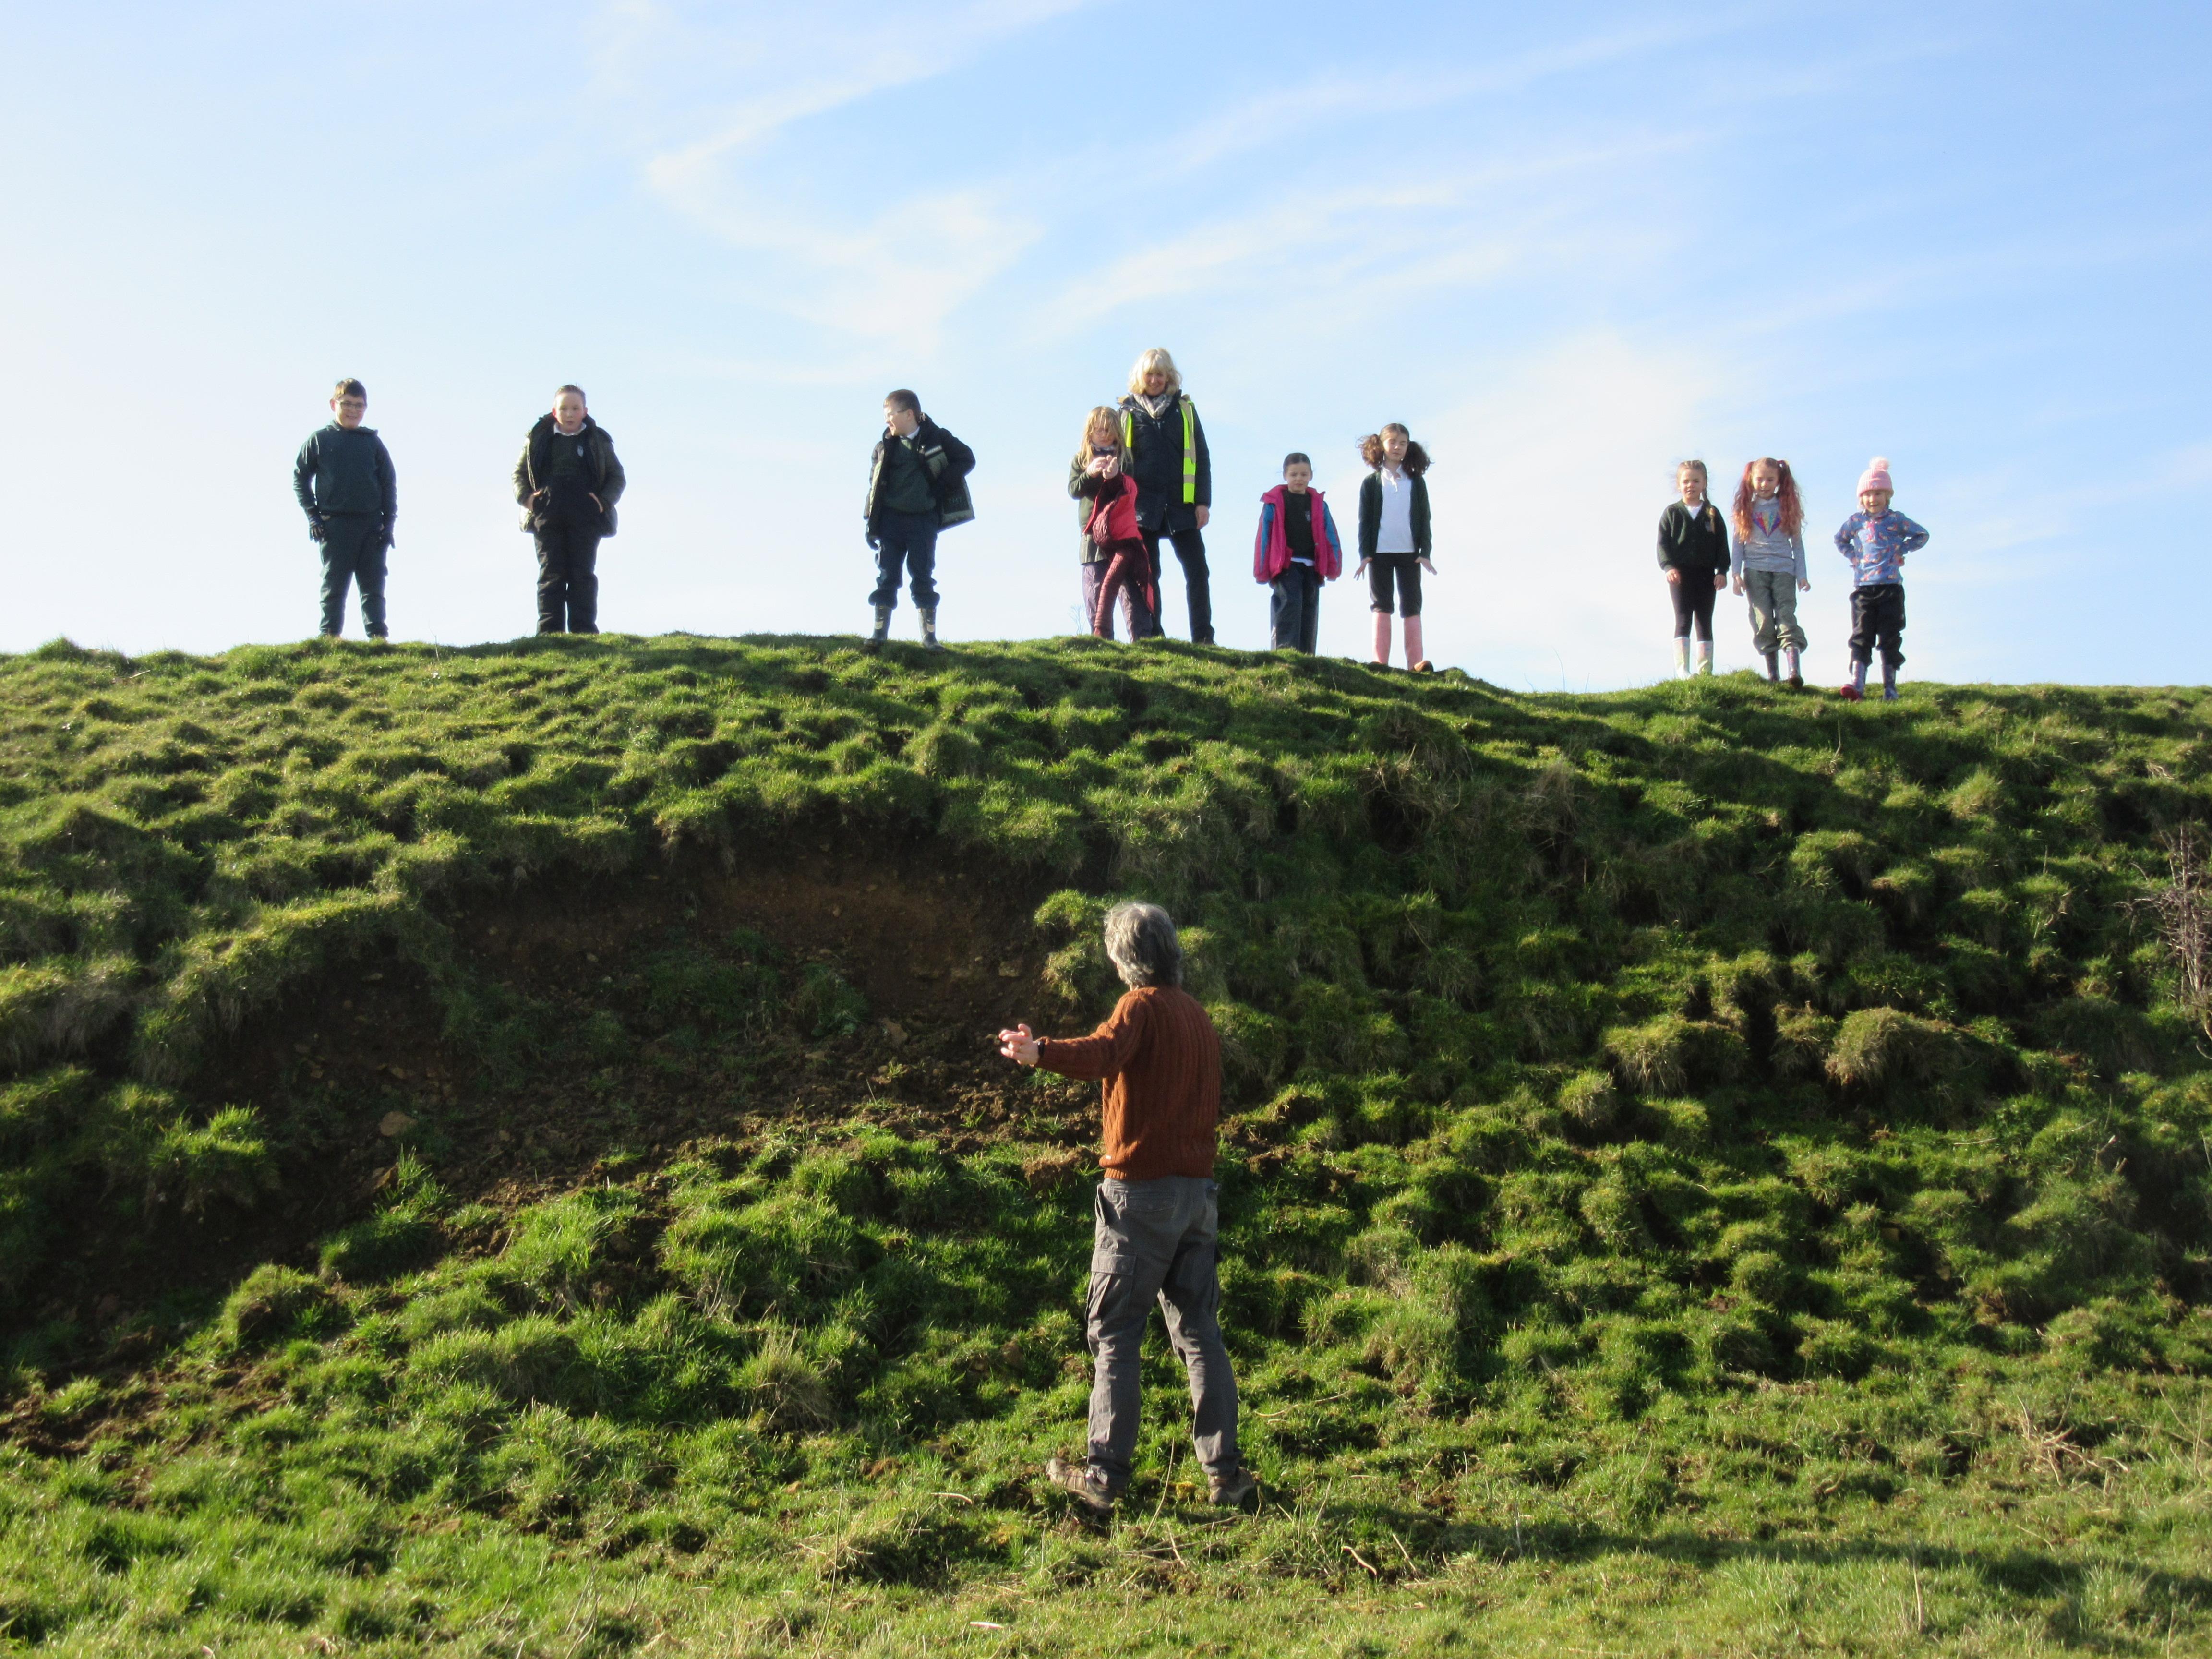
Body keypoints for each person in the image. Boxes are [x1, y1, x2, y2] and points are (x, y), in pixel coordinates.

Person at [996, 902, 1255, 1515]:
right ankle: (1227, 1475)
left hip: (1140, 1195)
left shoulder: (1139, 1007)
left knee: (1114, 1331)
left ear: (1126, 958)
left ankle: (1104, 1478)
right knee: (1200, 1331)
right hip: (1198, 1196)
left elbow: (1102, 1054)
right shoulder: (1197, 1016)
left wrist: (1039, 1052)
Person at [862, 389, 975, 652]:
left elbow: (967, 459)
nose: (887, 421)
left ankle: (929, 639)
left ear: (909, 414)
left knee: (923, 575)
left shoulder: (938, 437)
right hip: (889, 521)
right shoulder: (883, 447)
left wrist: (942, 485)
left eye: (891, 415)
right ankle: (878, 635)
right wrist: (870, 522)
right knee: (887, 576)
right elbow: (873, 487)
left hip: (923, 521)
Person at [1117, 349, 1213, 644]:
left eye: (1161, 374)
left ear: (1170, 377)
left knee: (1198, 570)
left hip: (1181, 506)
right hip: (1142, 507)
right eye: (1150, 375)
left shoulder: (1185, 411)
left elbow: (1202, 457)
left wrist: (1203, 502)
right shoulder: (1127, 413)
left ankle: (1204, 638)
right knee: (1149, 572)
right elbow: (1119, 462)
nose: (1155, 380)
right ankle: (1154, 635)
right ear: (1140, 377)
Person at [513, 385, 625, 635]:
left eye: (575, 408)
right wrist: (528, 500)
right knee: (550, 574)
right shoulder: (537, 438)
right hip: (546, 513)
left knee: (582, 575)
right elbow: (519, 474)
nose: (570, 414)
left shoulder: (598, 439)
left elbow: (617, 477)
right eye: (564, 409)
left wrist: (603, 502)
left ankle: (583, 633)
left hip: (586, 515)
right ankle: (549, 634)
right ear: (555, 412)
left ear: (585, 411)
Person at [292, 378, 397, 640]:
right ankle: (330, 638)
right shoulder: (319, 440)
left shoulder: (373, 443)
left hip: (371, 526)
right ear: (334, 404)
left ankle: (378, 640)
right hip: (334, 524)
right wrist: (312, 516)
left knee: (374, 586)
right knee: (334, 585)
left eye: (359, 406)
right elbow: (300, 478)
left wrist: (389, 525)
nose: (353, 410)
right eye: (347, 404)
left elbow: (389, 485)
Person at [1833, 457, 1928, 702]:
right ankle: (1857, 685)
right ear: (1861, 498)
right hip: (1864, 589)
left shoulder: (1896, 520)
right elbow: (1840, 539)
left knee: (1890, 637)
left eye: (1878, 494)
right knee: (1861, 636)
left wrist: (1902, 550)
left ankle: (1890, 689)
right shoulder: (1856, 522)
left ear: (1888, 496)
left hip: (1891, 588)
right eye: (1867, 494)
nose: (1872, 499)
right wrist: (1853, 556)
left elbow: (1922, 535)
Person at [1355, 424, 1436, 670]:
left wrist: (1425, 553)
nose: (1398, 447)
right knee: (1381, 604)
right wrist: (1365, 555)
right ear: (1381, 445)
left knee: (1412, 604)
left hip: (1411, 554)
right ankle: (1380, 662)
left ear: (1409, 446)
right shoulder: (1371, 483)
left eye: (1403, 443)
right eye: (1393, 442)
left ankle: (1416, 664)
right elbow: (1365, 522)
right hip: (1379, 554)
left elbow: (1425, 519)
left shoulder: (1417, 482)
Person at [1730, 457, 1810, 686]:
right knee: (1762, 619)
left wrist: (1802, 575)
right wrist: (1736, 574)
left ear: (1779, 481)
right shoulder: (1746, 509)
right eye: (1759, 479)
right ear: (1751, 480)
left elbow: (1798, 545)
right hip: (1755, 571)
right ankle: (1773, 676)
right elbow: (1738, 545)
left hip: (1784, 570)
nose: (1764, 484)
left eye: (1770, 479)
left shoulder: (1787, 508)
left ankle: (1794, 672)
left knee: (1786, 616)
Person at [1072, 408, 1150, 639]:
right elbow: (1074, 490)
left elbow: (1129, 491)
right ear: (1090, 432)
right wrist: (1089, 474)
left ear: (1117, 431)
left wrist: (1115, 476)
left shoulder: (1125, 459)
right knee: (1095, 584)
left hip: (1120, 531)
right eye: (1099, 430)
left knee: (1130, 587)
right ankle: (1102, 640)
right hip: (1091, 532)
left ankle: (1141, 640)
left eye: (1108, 430)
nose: (1104, 434)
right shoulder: (1080, 459)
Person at [1252, 452, 1343, 653]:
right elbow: (1264, 536)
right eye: (1294, 475)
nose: (1299, 479)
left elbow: (1330, 535)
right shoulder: (1274, 503)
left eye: (1304, 474)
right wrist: (1261, 569)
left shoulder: (1319, 504)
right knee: (1289, 604)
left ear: (1311, 476)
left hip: (1312, 566)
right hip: (1286, 565)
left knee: (1309, 608)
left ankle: (1306, 655)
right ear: (1285, 475)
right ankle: (1285, 652)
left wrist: (1334, 566)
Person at [1657, 459, 1728, 676]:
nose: (1691, 485)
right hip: (1680, 577)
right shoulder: (1672, 513)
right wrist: (1669, 567)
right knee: (1683, 619)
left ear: (1704, 483)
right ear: (1679, 484)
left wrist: (1722, 571)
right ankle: (1683, 671)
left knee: (1705, 620)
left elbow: (1722, 545)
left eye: (1696, 481)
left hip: (1707, 576)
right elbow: (1663, 544)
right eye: (1686, 481)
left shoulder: (1712, 513)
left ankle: (1705, 671)